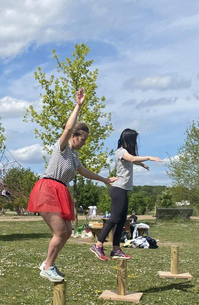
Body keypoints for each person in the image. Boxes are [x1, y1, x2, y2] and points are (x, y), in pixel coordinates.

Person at [27, 88, 117, 282]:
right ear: (74, 136)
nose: (83, 143)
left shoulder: (75, 156)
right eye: (82, 139)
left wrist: (106, 180)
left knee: (67, 232)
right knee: (59, 232)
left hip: (60, 191)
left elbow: (84, 172)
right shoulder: (62, 147)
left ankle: (48, 263)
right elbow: (67, 128)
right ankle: (47, 267)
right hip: (48, 188)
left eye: (85, 140)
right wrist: (78, 105)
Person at [90, 129, 162, 261]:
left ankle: (116, 249)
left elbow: (133, 160)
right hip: (119, 189)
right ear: (129, 140)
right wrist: (149, 158)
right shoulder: (121, 151)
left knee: (121, 220)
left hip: (123, 190)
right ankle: (98, 244)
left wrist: (142, 164)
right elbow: (132, 158)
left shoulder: (125, 153)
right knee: (114, 219)